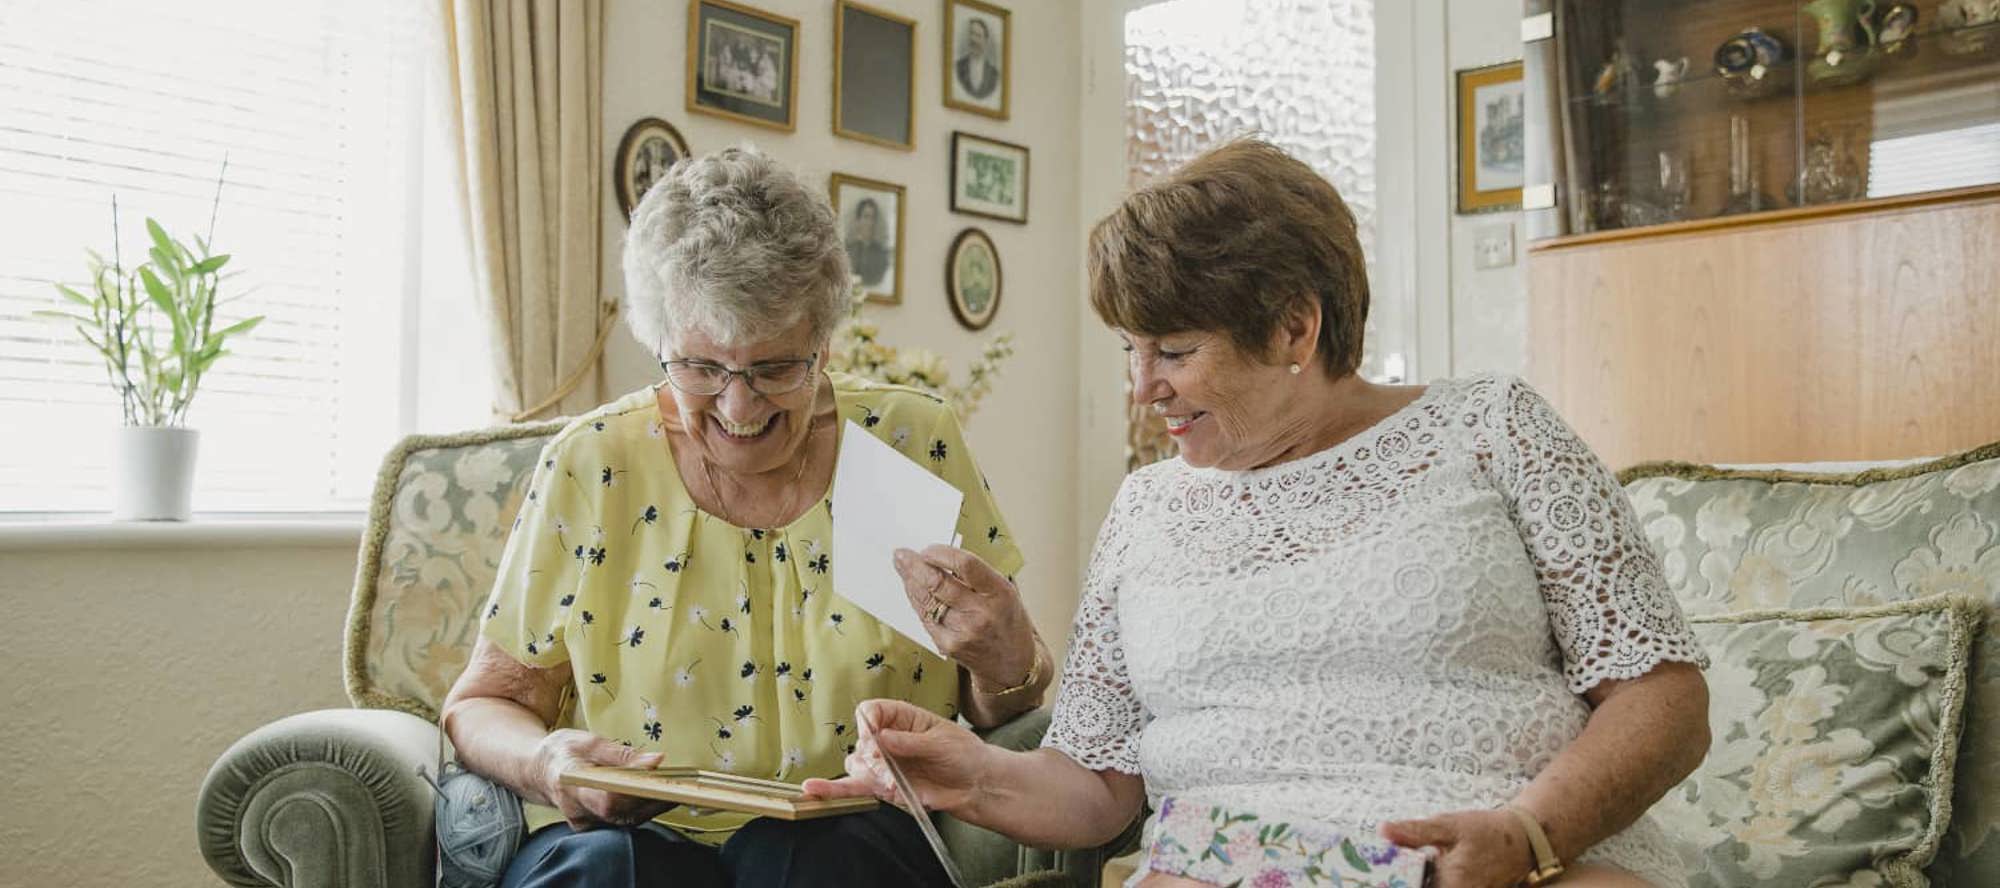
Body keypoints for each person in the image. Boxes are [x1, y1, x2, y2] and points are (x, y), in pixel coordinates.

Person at [807, 138, 1712, 888]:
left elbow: (1664, 698)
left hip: (1520, 864)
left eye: (1176, 350)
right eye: (1130, 350)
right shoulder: (1147, 508)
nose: (1142, 389)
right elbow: (1095, 789)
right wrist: (973, 775)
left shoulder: (1493, 428)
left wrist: (1531, 832)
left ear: (1293, 329)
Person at [442, 145, 1051, 888]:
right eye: (701, 368)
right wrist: (549, 763)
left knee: (804, 862)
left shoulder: (906, 441)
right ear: (659, 344)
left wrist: (1007, 657)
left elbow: (999, 705)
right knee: (607, 873)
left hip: (848, 838)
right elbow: (484, 703)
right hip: (632, 838)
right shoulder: (592, 463)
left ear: (822, 346)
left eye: (773, 368)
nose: (738, 407)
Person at [844, 198, 890, 289]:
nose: (870, 223)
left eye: (873, 218)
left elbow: (877, 281)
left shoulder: (881, 253)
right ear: (858, 220)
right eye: (866, 217)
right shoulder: (846, 249)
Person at [954, 18, 999, 101]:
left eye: (978, 36)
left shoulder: (994, 75)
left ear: (985, 40)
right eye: (972, 34)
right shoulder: (957, 67)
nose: (973, 39)